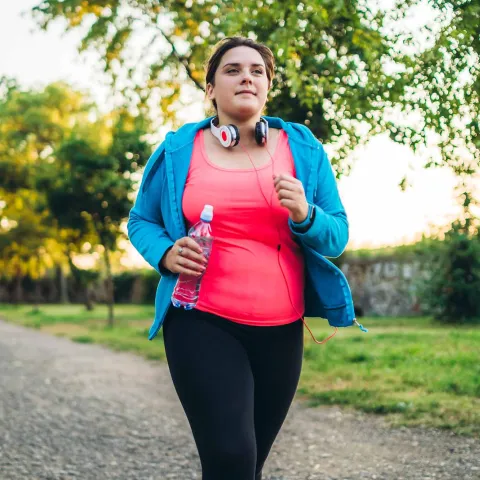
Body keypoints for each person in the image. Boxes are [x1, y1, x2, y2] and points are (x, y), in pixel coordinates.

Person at [128, 36, 352, 480]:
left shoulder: (303, 150)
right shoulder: (177, 150)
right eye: (232, 70)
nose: (246, 76)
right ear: (210, 88)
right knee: (230, 455)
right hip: (200, 319)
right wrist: (166, 253)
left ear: (268, 86)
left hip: (281, 330)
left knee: (247, 464)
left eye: (257, 71)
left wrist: (306, 215)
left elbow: (338, 235)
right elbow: (140, 221)